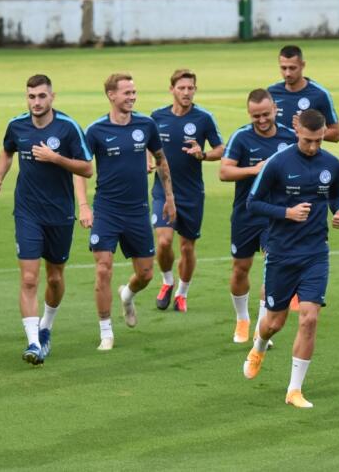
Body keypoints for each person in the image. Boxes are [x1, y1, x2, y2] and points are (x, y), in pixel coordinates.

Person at [242, 109, 339, 409]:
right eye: (307, 141)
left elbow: (336, 195)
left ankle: (294, 390)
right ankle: (258, 346)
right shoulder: (278, 163)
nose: (313, 147)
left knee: (310, 318)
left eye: (318, 140)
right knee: (274, 322)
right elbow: (253, 202)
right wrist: (286, 213)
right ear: (297, 132)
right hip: (282, 252)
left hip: (316, 252)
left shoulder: (334, 165)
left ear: (325, 134)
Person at [0, 74, 93, 365]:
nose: (36, 102)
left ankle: (46, 326)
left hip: (60, 213)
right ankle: (34, 342)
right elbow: (7, 150)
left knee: (55, 277)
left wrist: (55, 158)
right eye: (31, 97)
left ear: (52, 97)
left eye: (41, 96)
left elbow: (87, 169)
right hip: (27, 212)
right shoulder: (17, 125)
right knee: (28, 277)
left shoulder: (68, 128)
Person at [75, 73, 175, 351]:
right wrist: (84, 205)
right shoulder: (95, 130)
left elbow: (161, 160)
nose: (132, 97)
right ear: (111, 95)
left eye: (134, 92)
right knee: (103, 268)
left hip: (138, 211)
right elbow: (80, 170)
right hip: (106, 211)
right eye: (127, 92)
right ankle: (106, 331)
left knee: (145, 274)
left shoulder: (146, 124)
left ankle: (127, 295)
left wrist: (169, 198)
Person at [219, 88, 297, 344]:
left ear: (275, 109)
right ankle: (242, 319)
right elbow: (224, 172)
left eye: (265, 114)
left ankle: (260, 330)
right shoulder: (241, 137)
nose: (262, 120)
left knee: (270, 269)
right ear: (249, 114)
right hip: (245, 215)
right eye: (256, 116)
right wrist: (256, 169)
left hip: (273, 217)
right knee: (241, 269)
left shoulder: (289, 137)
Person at [150, 69, 224, 313]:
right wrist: (148, 161)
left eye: (190, 88)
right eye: (181, 88)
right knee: (163, 242)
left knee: (187, 247)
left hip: (191, 193)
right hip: (163, 190)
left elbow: (221, 149)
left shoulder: (203, 119)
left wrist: (202, 155)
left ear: (195, 89)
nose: (186, 92)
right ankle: (167, 281)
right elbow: (147, 148)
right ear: (171, 89)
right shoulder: (157, 117)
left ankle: (182, 293)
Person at [267, 45, 339, 142]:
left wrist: (307, 131)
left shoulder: (320, 94)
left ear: (303, 65)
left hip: (305, 155)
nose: (287, 73)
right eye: (283, 68)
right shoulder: (271, 92)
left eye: (292, 68)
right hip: (276, 155)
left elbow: (336, 135)